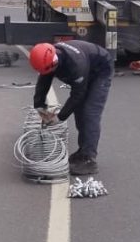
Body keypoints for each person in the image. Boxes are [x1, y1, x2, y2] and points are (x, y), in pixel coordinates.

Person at [30, 40, 114, 176]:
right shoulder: (49, 58)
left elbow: (77, 95)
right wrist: (39, 105)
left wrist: (59, 117)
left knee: (89, 112)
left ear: (54, 63)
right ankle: (83, 151)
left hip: (100, 70)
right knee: (79, 111)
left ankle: (89, 159)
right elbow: (44, 80)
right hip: (86, 66)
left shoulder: (75, 64)